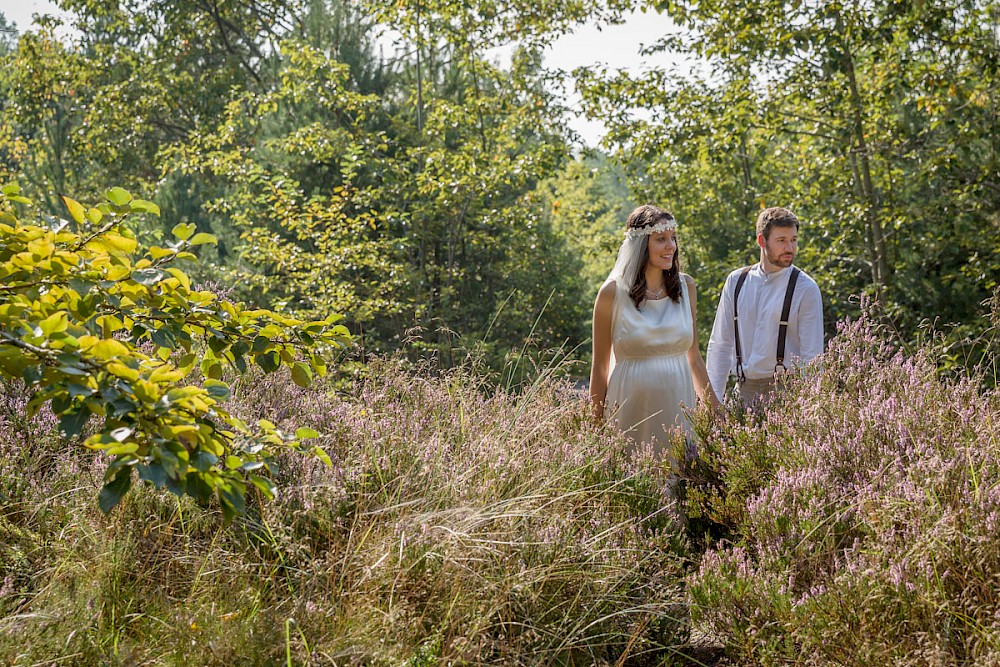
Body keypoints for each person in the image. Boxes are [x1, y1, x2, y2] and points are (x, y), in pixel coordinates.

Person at [590, 204, 721, 456]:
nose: (670, 246)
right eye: (661, 239)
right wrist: (595, 427)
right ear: (640, 246)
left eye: (673, 238)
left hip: (677, 408)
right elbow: (600, 367)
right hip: (629, 409)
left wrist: (716, 410)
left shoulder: (686, 287)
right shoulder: (611, 293)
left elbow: (693, 358)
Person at [706, 207, 824, 408]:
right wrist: (713, 403)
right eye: (782, 241)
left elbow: (812, 356)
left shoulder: (805, 288)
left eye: (793, 240)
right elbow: (720, 345)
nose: (790, 248)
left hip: (787, 395)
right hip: (742, 393)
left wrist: (810, 408)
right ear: (762, 241)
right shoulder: (736, 281)